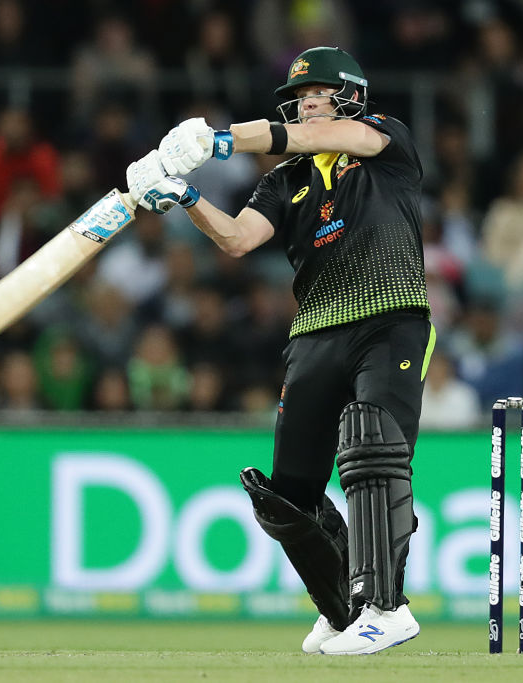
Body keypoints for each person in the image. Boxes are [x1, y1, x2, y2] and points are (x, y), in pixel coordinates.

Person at [125, 46, 431, 655]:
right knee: (289, 494)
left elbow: (320, 135)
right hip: (314, 331)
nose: (306, 104)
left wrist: (219, 140)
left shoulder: (383, 139)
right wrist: (182, 195)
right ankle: (342, 612)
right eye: (299, 97)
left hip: (390, 319)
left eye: (318, 93)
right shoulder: (285, 180)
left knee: (372, 447)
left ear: (351, 96)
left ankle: (386, 608)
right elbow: (238, 238)